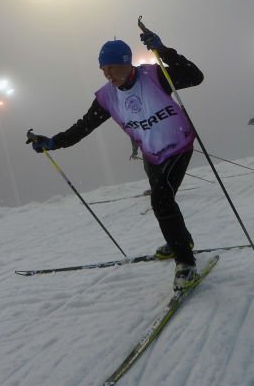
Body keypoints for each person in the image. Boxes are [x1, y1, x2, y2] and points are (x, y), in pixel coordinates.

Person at [26, 29, 202, 291]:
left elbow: (194, 77)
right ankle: (180, 240)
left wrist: (163, 50)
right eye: (103, 69)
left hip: (179, 144)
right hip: (152, 153)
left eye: (111, 67)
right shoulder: (107, 97)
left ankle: (186, 264)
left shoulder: (153, 76)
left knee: (161, 200)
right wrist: (53, 141)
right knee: (163, 199)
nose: (108, 74)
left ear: (126, 62)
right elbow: (83, 126)